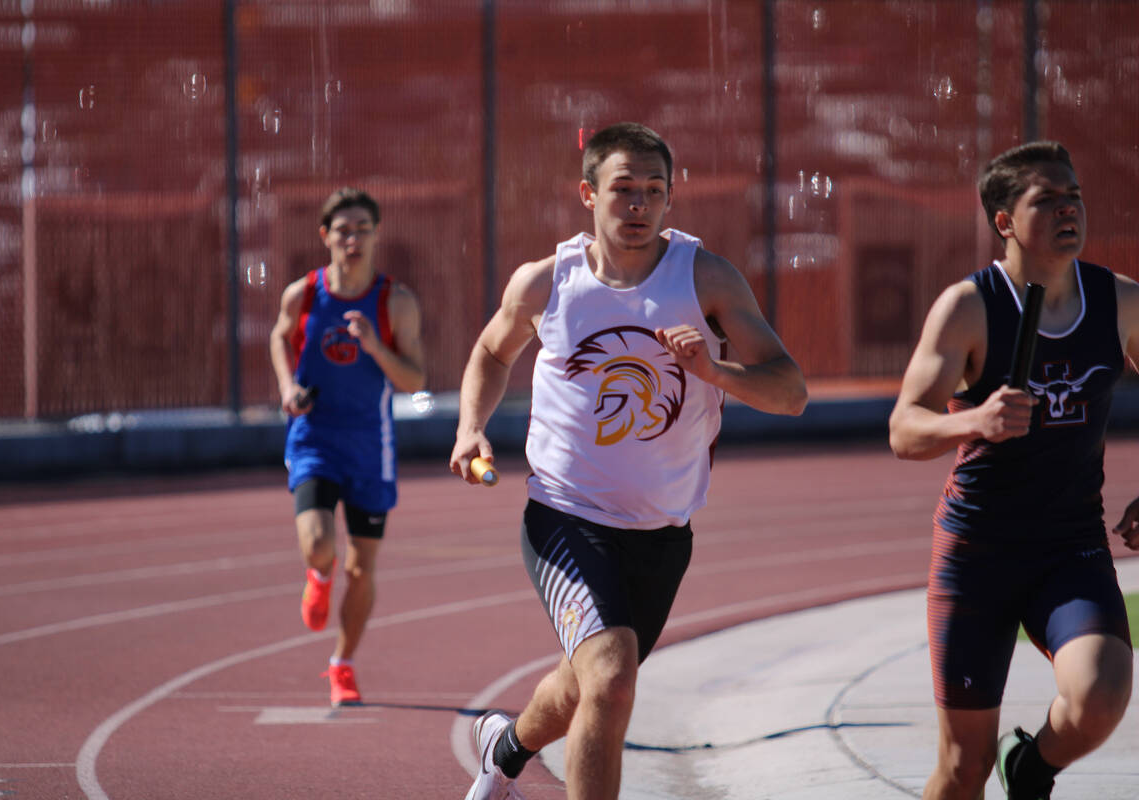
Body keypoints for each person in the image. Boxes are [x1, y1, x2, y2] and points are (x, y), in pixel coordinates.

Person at [449, 122, 808, 800]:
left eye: (653, 191)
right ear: (588, 194)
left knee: (585, 682)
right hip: (565, 516)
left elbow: (790, 393)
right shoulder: (547, 282)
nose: (638, 205)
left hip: (663, 531)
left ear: (671, 198)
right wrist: (472, 428)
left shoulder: (703, 278)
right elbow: (492, 354)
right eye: (623, 190)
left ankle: (506, 748)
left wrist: (713, 369)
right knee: (612, 677)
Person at [889, 141, 1139, 800]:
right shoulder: (970, 307)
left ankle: (1033, 769)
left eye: (1074, 195)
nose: (1068, 209)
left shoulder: (1118, 301)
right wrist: (971, 421)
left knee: (1102, 693)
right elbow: (904, 430)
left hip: (1071, 546)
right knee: (964, 768)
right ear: (1003, 220)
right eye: (1046, 199)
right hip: (978, 553)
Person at [269, 187, 426, 706]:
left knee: (362, 569)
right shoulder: (305, 294)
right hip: (315, 437)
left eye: (362, 228)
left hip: (369, 447)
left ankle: (342, 663)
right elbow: (279, 335)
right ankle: (317, 573)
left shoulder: (394, 302)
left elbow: (414, 379)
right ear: (326, 236)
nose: (352, 238)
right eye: (343, 229)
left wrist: (375, 346)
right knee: (320, 543)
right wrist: (288, 388)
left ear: (376, 235)